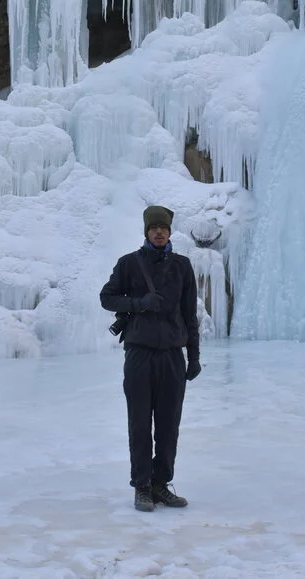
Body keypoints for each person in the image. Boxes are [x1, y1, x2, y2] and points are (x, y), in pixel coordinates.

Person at [100, 205, 202, 512]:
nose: (159, 232)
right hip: (139, 353)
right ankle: (142, 486)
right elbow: (107, 297)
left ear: (170, 232)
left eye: (164, 228)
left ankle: (161, 484)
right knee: (140, 422)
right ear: (146, 232)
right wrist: (140, 302)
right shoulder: (129, 263)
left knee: (169, 424)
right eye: (153, 228)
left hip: (172, 355)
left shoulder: (183, 266)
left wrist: (193, 356)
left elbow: (189, 314)